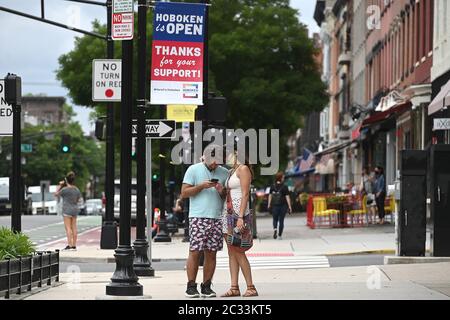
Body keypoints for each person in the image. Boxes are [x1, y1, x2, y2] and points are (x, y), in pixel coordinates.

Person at [181, 145, 228, 298]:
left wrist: (222, 191)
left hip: (216, 217)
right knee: (195, 252)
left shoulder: (224, 172)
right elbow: (184, 193)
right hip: (197, 217)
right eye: (214, 161)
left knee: (212, 253)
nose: (216, 165)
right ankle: (191, 286)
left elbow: (225, 197)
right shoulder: (193, 170)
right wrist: (201, 186)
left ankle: (206, 286)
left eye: (219, 162)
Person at [221, 149, 258, 298]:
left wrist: (241, 216)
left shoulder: (243, 169)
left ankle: (251, 287)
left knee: (238, 250)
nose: (227, 157)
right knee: (231, 251)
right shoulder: (231, 171)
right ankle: (234, 287)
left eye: (229, 154)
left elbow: (245, 194)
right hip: (228, 213)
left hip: (238, 214)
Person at [55, 172, 82, 251]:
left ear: (66, 180)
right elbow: (78, 199)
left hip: (67, 209)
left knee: (68, 228)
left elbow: (56, 194)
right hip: (75, 209)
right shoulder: (76, 189)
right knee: (74, 227)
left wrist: (60, 185)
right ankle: (74, 245)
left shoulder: (64, 190)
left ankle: (69, 245)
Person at [267, 172, 292, 240]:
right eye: (283, 177)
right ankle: (280, 235)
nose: (283, 178)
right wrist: (289, 206)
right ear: (281, 178)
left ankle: (275, 229)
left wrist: (269, 204)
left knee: (275, 219)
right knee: (281, 220)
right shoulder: (285, 187)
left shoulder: (272, 186)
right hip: (283, 206)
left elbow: (270, 196)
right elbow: (287, 197)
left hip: (275, 206)